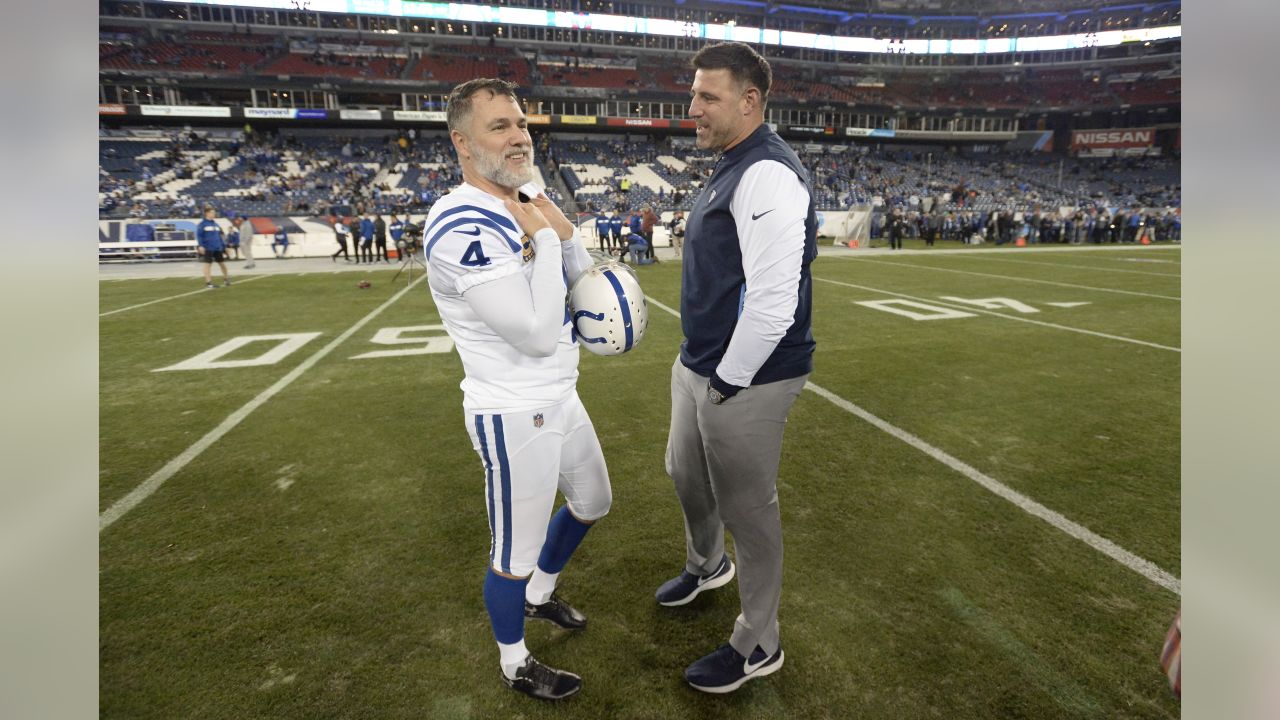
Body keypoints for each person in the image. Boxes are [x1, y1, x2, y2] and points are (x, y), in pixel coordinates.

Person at [424, 78, 612, 702]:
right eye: (499, 126)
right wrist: (551, 239)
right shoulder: (460, 220)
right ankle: (514, 662)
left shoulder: (524, 194)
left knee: (594, 500)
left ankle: (539, 597)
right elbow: (533, 334)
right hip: (513, 409)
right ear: (462, 142)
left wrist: (554, 225)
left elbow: (581, 270)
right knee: (514, 550)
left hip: (560, 391)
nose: (517, 136)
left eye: (521, 124)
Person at [658, 41, 815, 695]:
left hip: (746, 375)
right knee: (684, 472)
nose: (692, 106)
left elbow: (774, 303)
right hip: (699, 360)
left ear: (750, 101)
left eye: (707, 96)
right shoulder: (731, 163)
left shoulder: (767, 173)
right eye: (694, 93)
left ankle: (759, 643)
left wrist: (726, 381)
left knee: (749, 509)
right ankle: (707, 565)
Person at [195, 205, 231, 288]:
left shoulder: (216, 224)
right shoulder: (202, 224)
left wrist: (224, 246)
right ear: (207, 213)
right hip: (208, 248)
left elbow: (220, 236)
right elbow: (199, 236)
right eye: (212, 212)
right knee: (207, 265)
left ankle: (226, 279)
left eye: (214, 212)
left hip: (217, 247)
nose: (214, 214)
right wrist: (200, 246)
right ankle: (209, 283)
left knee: (222, 264)